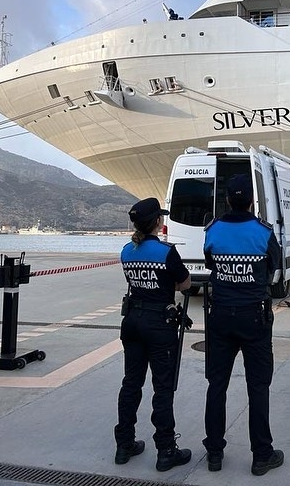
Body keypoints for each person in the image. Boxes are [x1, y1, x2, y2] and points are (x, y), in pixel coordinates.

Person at [202, 174, 284, 476]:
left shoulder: (214, 230)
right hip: (254, 317)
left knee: (217, 385)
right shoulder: (262, 232)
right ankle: (262, 455)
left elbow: (210, 263)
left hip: (220, 315)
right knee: (258, 387)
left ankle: (214, 452)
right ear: (252, 201)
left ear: (226, 200)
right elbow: (273, 265)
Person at [115, 197, 193, 472]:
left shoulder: (127, 251)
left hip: (133, 321)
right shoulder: (166, 252)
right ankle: (166, 450)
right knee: (162, 387)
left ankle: (124, 444)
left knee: (131, 383)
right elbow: (185, 283)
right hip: (159, 323)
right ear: (158, 223)